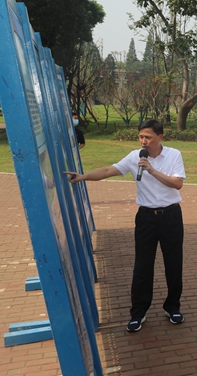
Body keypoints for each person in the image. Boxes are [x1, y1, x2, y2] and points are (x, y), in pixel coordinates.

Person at [65, 119, 186, 332]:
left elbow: (177, 183)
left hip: (171, 217)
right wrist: (83, 177)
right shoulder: (134, 156)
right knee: (142, 266)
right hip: (146, 218)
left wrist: (151, 170)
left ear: (160, 137)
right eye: (141, 137)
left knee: (173, 264)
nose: (143, 141)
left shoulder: (174, 155)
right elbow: (107, 170)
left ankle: (172, 307)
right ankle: (138, 312)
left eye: (148, 137)